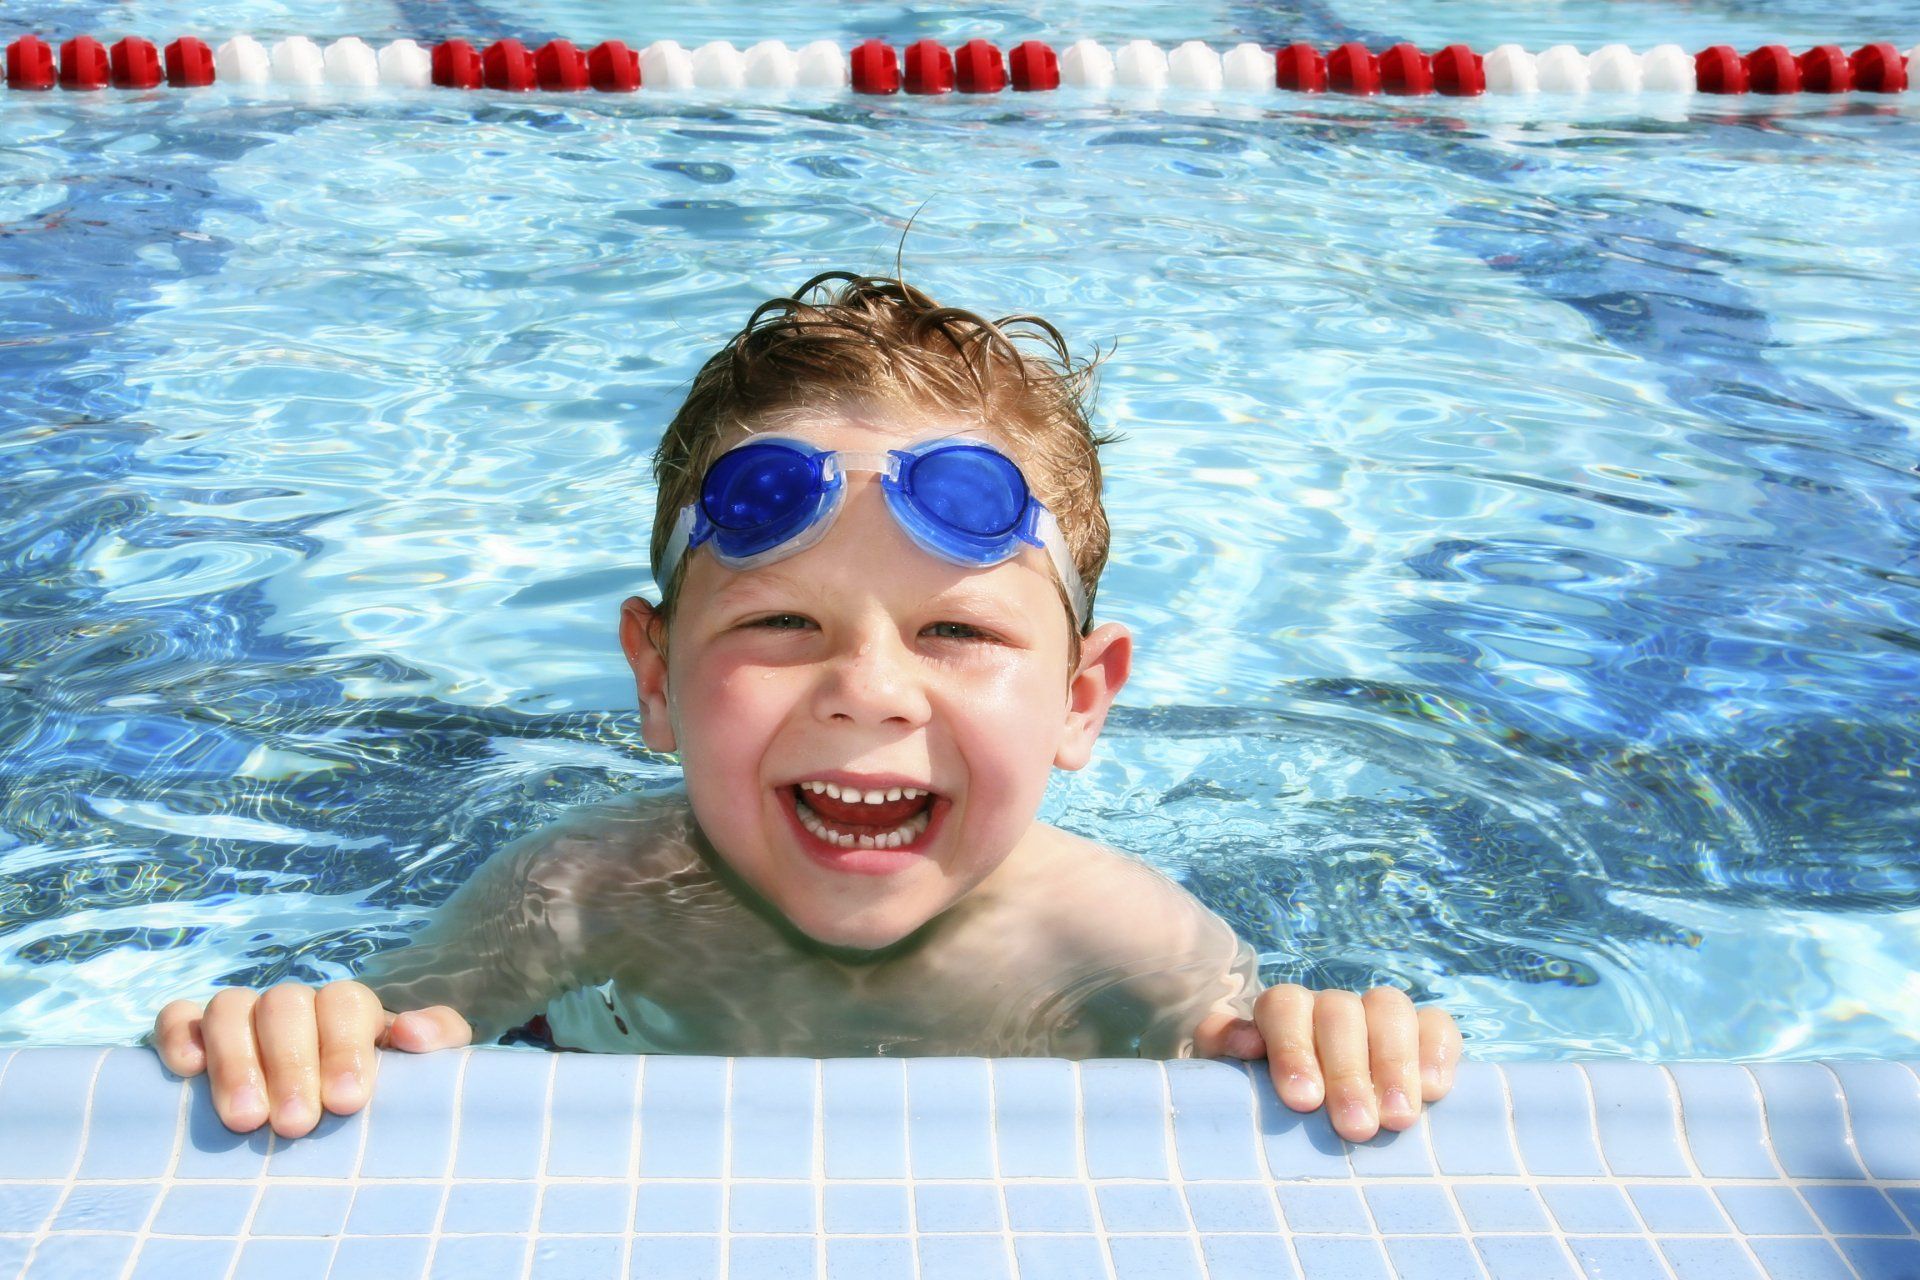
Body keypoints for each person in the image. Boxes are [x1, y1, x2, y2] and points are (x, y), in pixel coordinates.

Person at [152, 271, 1463, 1144]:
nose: (868, 693)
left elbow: (1248, 1084)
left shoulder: (1117, 934)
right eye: (784, 625)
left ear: (1080, 700)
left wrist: (1332, 1038)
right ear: (657, 676)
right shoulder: (581, 892)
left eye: (955, 630)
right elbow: (387, 1036)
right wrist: (302, 1031)